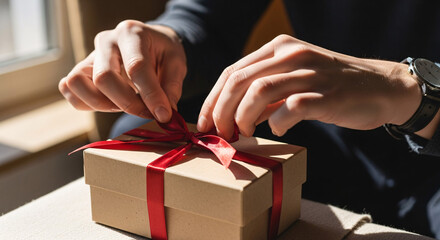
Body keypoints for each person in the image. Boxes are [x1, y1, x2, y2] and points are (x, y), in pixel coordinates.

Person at [58, 0, 440, 238]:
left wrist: (414, 93)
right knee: (138, 134)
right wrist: (169, 37)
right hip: (330, 137)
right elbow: (208, 17)